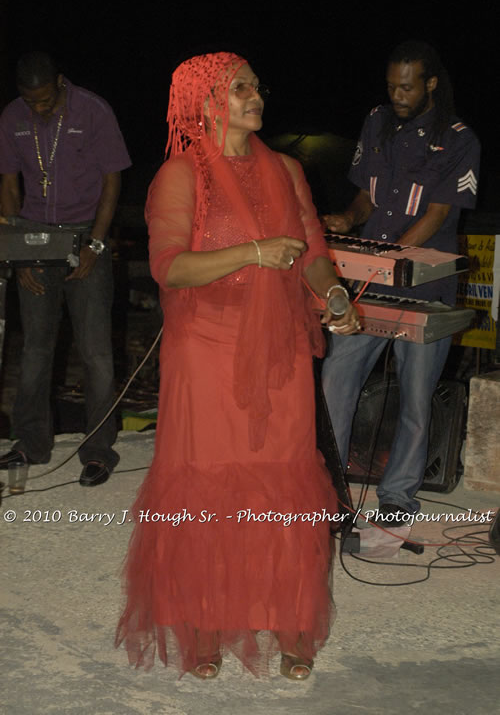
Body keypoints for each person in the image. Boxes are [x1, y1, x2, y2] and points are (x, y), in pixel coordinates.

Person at [115, 51, 359, 680]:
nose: (255, 96)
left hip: (276, 351)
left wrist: (331, 296)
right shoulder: (179, 176)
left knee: (285, 484)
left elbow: (310, 251)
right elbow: (170, 266)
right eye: (239, 87)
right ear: (205, 102)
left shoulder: (287, 170)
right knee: (205, 489)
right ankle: (202, 623)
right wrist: (252, 252)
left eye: (256, 86)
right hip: (206, 351)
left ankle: (291, 622)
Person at [322, 41, 480, 519]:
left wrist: (391, 257)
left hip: (424, 285)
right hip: (370, 284)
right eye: (392, 86)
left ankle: (397, 496)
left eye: (407, 87)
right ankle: (328, 487)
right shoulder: (376, 121)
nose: (398, 95)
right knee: (336, 379)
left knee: (416, 394)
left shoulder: (459, 140)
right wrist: (349, 221)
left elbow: (436, 214)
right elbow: (366, 194)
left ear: (430, 83)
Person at [0, 52, 131, 486]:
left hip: (83, 231)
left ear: (59, 83)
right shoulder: (12, 117)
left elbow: (113, 179)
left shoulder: (92, 111)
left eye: (44, 100)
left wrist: (95, 241)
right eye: (29, 101)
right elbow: (9, 183)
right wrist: (18, 251)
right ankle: (31, 443)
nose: (37, 109)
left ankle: (98, 450)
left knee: (95, 353)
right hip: (34, 233)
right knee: (35, 349)